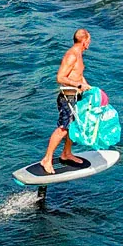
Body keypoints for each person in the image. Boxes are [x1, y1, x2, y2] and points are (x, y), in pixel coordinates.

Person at [41, 28, 92, 174]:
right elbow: (60, 78)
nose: (89, 43)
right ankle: (47, 158)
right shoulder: (71, 55)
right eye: (88, 40)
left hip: (76, 96)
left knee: (74, 126)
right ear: (84, 41)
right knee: (63, 128)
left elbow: (78, 75)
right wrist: (79, 85)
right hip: (67, 97)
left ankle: (66, 153)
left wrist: (89, 87)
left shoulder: (79, 54)